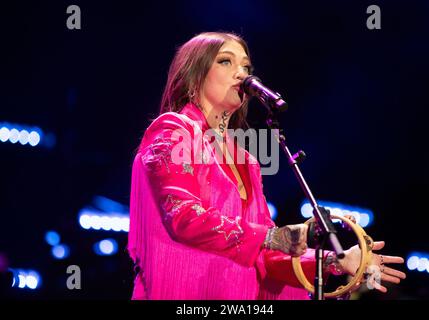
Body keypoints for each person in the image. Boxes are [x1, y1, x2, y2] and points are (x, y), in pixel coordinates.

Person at [127, 31, 406, 300]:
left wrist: (335, 260)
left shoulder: (246, 162)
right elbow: (183, 216)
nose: (242, 73)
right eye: (226, 61)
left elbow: (262, 255)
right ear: (194, 74)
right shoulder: (173, 129)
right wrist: (270, 237)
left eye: (246, 66)